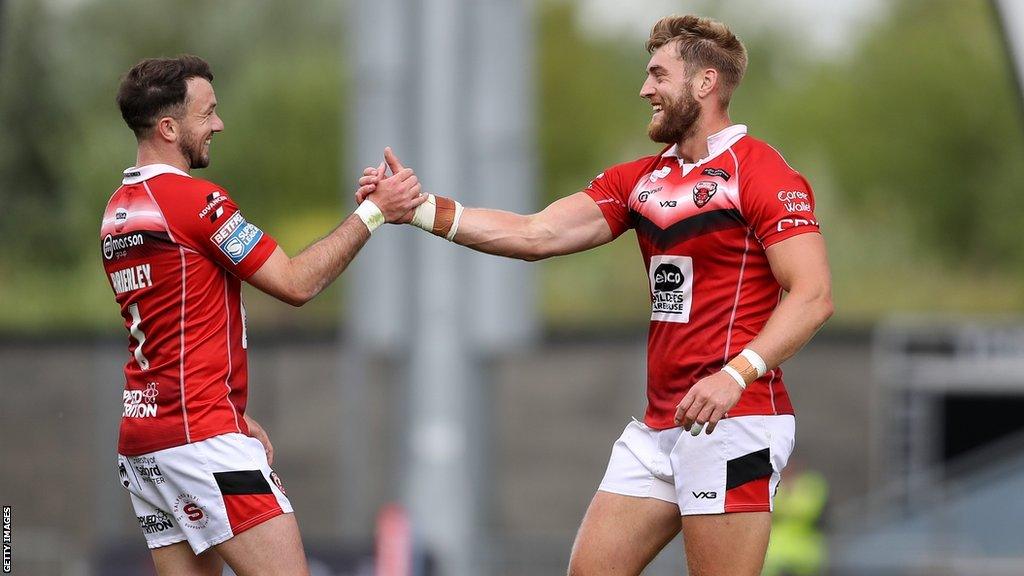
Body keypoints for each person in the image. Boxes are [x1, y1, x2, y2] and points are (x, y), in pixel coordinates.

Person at [357, 14, 833, 576]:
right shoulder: (641, 179)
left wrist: (735, 375)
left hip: (734, 422)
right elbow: (538, 233)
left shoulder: (761, 172)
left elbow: (813, 295)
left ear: (704, 83)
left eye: (658, 74)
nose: (645, 89)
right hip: (662, 427)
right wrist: (421, 210)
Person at [102, 55, 424, 575]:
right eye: (206, 114)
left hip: (147, 441)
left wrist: (230, 409)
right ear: (168, 127)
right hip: (202, 441)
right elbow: (297, 283)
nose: (218, 125)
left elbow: (170, 328)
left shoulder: (119, 208)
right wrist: (374, 212)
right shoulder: (194, 200)